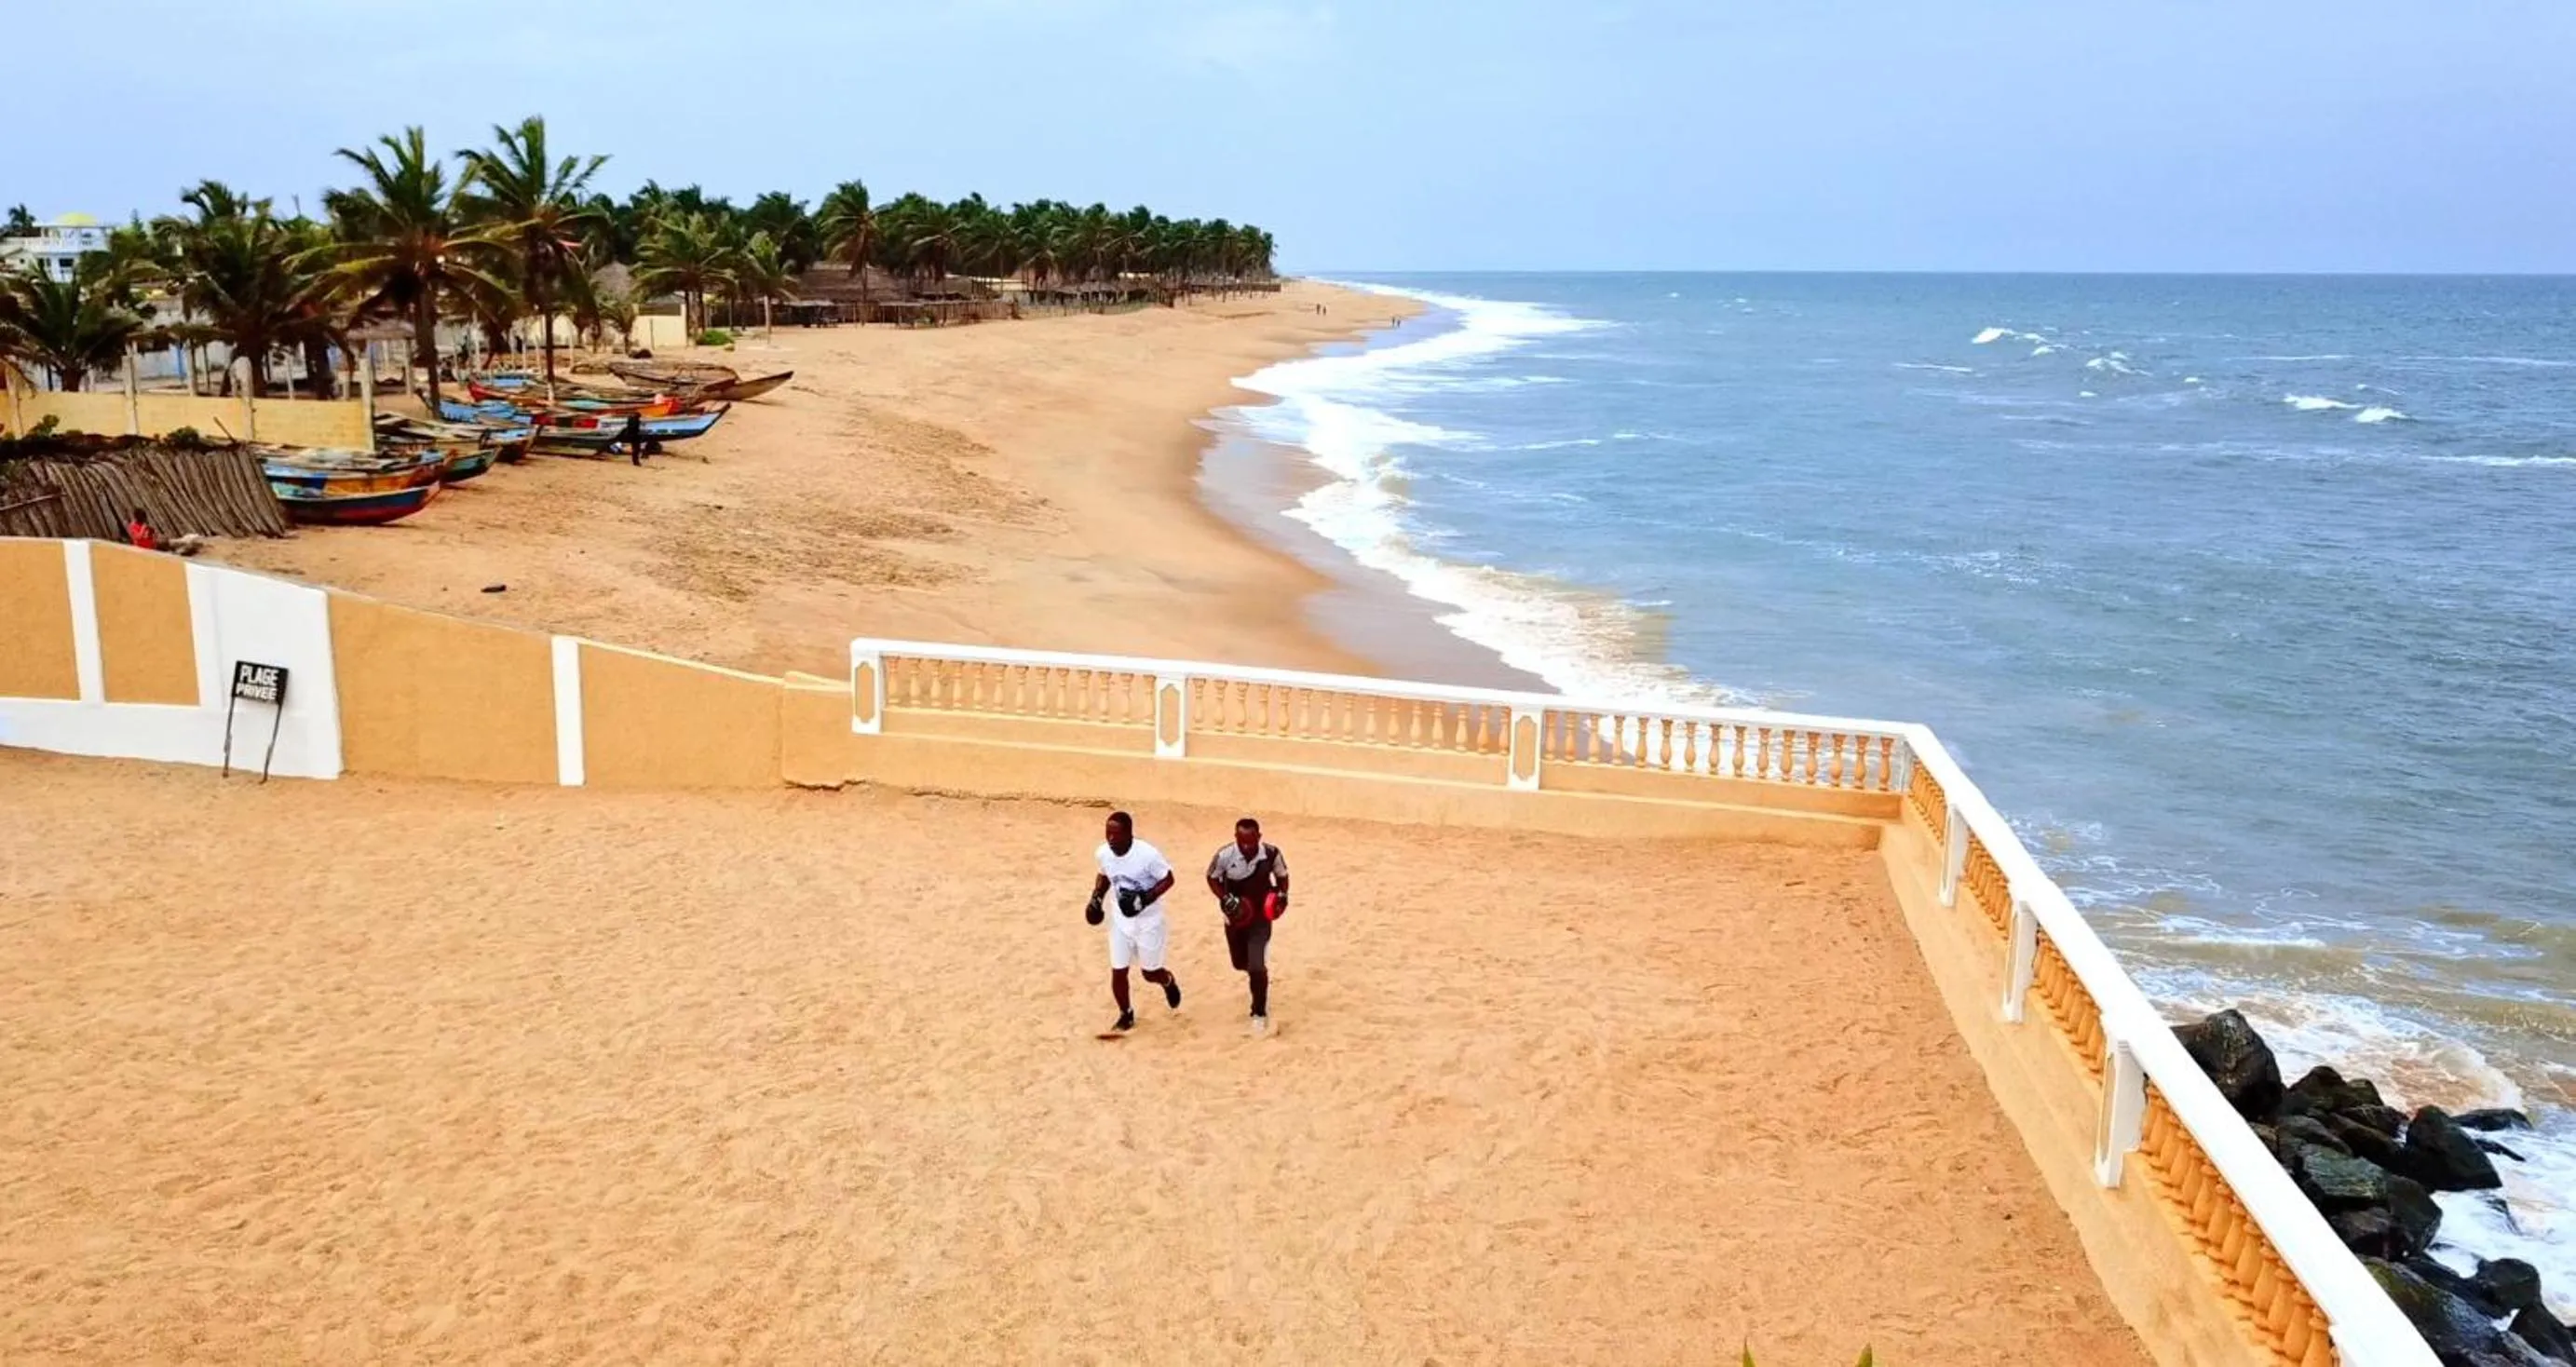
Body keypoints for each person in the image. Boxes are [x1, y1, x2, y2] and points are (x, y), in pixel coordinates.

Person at [1087, 810, 1181, 1033]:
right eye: (1108, 833)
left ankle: (1167, 980)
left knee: (1150, 973)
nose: (1111, 839)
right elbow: (1104, 875)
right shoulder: (1103, 853)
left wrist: (1145, 899)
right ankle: (1125, 1014)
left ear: (1129, 834)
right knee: (1118, 970)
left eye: (1116, 834)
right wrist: (1096, 898)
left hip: (1149, 922)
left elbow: (1168, 879)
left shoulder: (1147, 855)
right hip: (1121, 921)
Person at [1205, 817, 1289, 1035]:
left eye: (1251, 842)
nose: (1247, 847)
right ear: (1236, 838)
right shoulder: (1224, 855)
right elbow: (1211, 878)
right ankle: (1257, 976)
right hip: (1235, 917)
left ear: (1259, 837)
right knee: (1239, 962)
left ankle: (1259, 1012)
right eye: (1242, 842)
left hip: (1261, 917)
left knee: (1256, 965)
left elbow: (1282, 876)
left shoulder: (1271, 854)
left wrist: (1282, 894)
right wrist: (1224, 899)